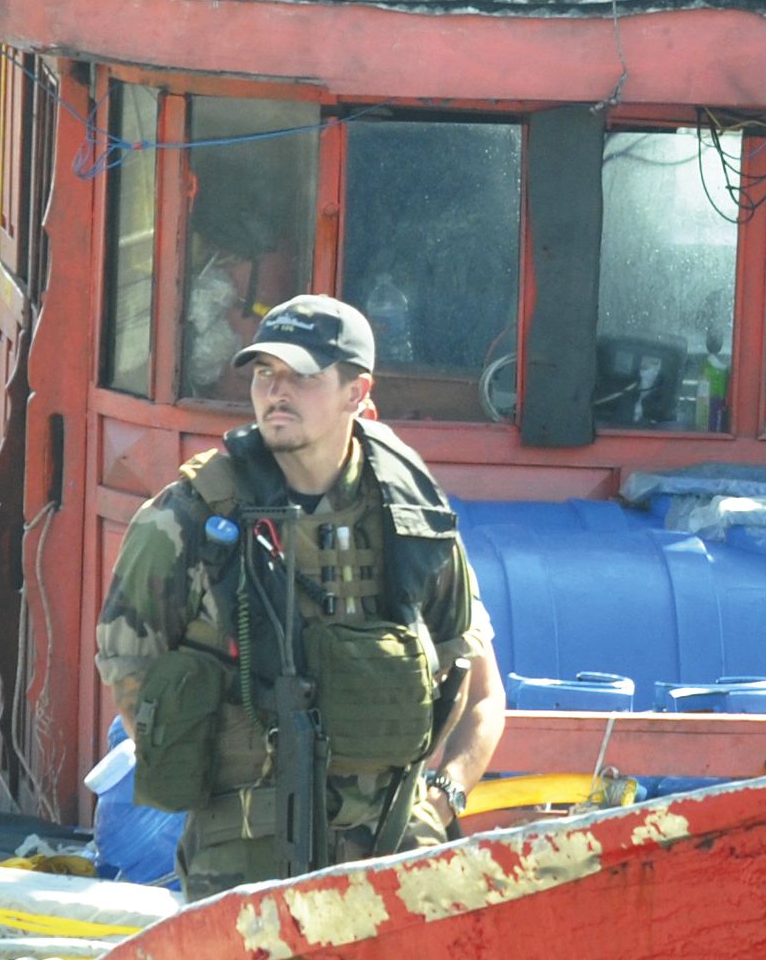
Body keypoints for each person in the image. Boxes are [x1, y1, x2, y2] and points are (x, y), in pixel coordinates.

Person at [92, 296, 506, 893]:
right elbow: (128, 664)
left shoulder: (410, 517)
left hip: (390, 849)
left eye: (301, 376)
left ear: (356, 391)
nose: (274, 391)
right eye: (264, 373)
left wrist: (440, 799)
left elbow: (482, 690)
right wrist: (207, 778)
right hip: (243, 853)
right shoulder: (192, 514)